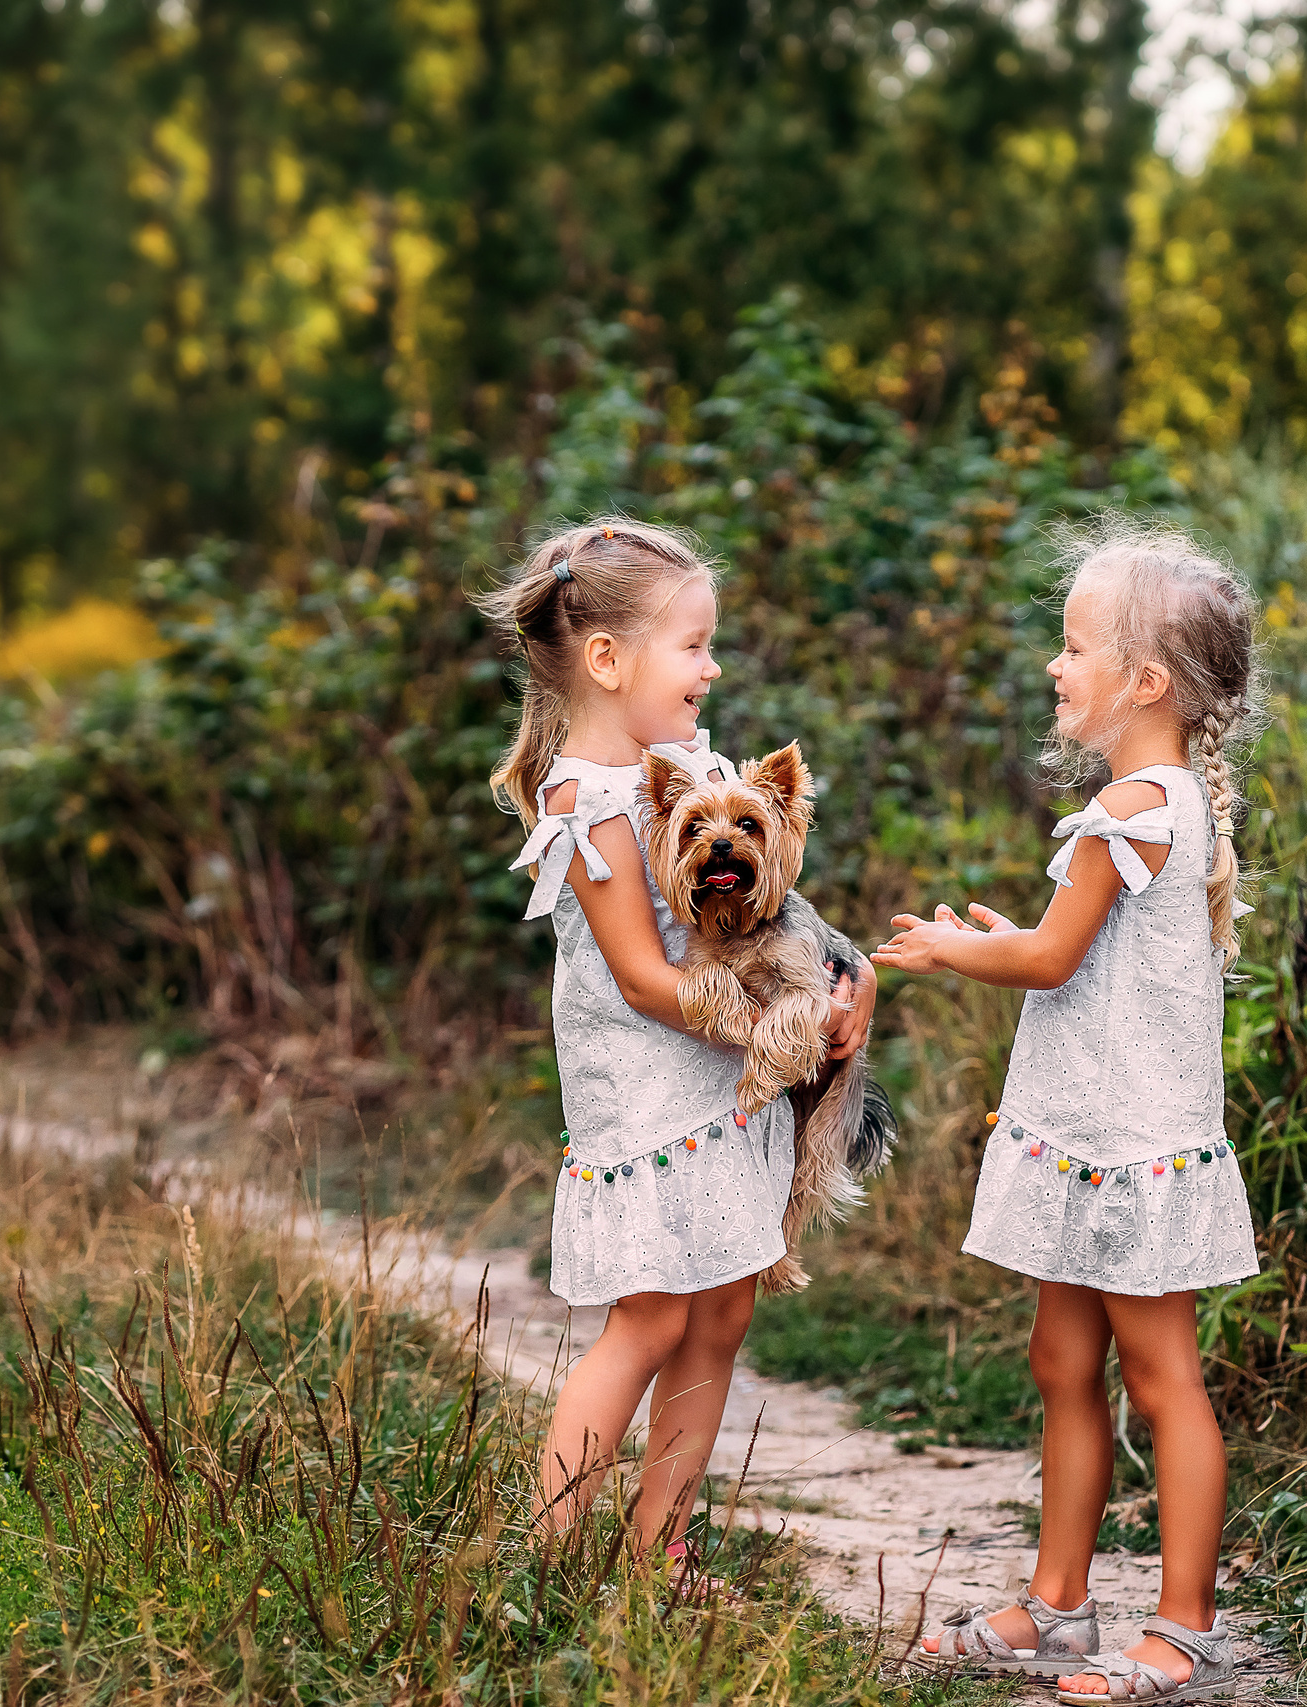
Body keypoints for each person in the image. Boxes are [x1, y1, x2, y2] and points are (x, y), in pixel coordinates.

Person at [873, 519, 1260, 1704]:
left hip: (1130, 1149)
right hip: (1088, 1144)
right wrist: (1019, 945)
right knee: (1062, 1362)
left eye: (1074, 646)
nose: (1056, 665)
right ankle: (1057, 1608)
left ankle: (1184, 1626)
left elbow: (1048, 962)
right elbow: (1070, 957)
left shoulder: (1135, 806)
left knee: (1162, 1378)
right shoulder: (1155, 799)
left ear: (1143, 682)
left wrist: (951, 951)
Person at [479, 518, 875, 1566]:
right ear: (606, 660)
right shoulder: (588, 798)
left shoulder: (684, 767)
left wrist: (849, 985)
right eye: (694, 644)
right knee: (648, 1324)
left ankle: (660, 1550)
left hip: (725, 1093)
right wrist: (779, 1036)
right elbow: (649, 982)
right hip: (655, 1096)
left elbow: (777, 906)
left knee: (719, 1317)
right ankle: (551, 1554)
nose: (712, 666)